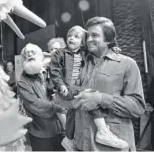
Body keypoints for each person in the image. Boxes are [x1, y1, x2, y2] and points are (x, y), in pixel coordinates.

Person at [58, 17, 145, 151]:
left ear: (109, 39)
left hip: (112, 147)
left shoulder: (127, 64)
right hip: (81, 145)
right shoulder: (79, 63)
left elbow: (137, 107)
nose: (88, 39)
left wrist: (101, 99)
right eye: (87, 35)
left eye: (95, 35)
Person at [50, 25, 129, 150]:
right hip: (67, 90)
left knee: (73, 111)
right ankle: (102, 131)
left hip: (78, 88)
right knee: (91, 98)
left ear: (82, 42)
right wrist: (60, 85)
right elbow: (55, 71)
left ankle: (69, 139)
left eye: (76, 37)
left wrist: (112, 48)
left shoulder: (85, 53)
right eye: (69, 36)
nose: (71, 38)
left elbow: (101, 48)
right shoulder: (60, 53)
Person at [17, 43, 65, 151]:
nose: (29, 54)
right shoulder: (22, 81)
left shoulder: (52, 72)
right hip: (40, 133)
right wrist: (59, 107)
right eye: (26, 54)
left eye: (32, 52)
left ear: (41, 56)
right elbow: (34, 104)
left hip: (61, 130)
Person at [46, 37, 67, 129]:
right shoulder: (47, 65)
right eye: (51, 49)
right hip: (53, 99)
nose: (53, 51)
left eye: (56, 49)